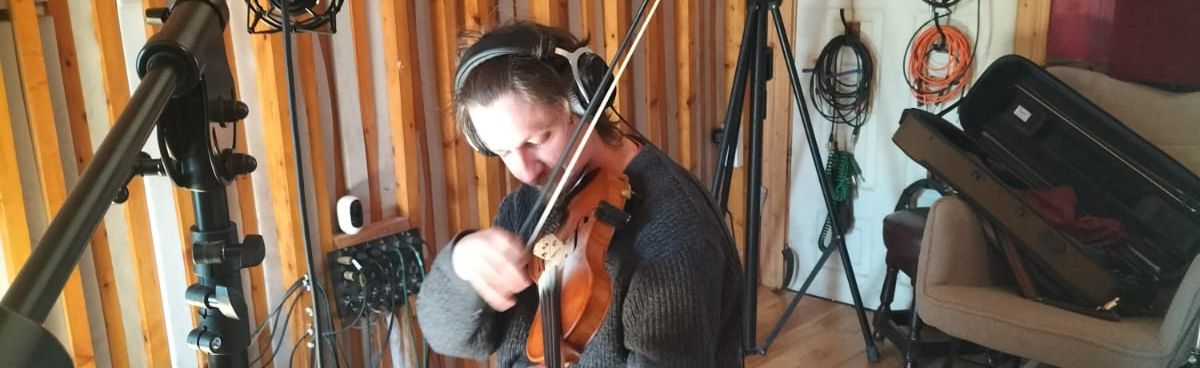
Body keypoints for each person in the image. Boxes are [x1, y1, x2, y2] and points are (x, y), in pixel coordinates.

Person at [415, 20, 743, 367]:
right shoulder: (529, 204)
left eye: (537, 140)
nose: (525, 172)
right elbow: (445, 335)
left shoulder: (675, 236)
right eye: (504, 153)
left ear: (585, 102)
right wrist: (461, 264)